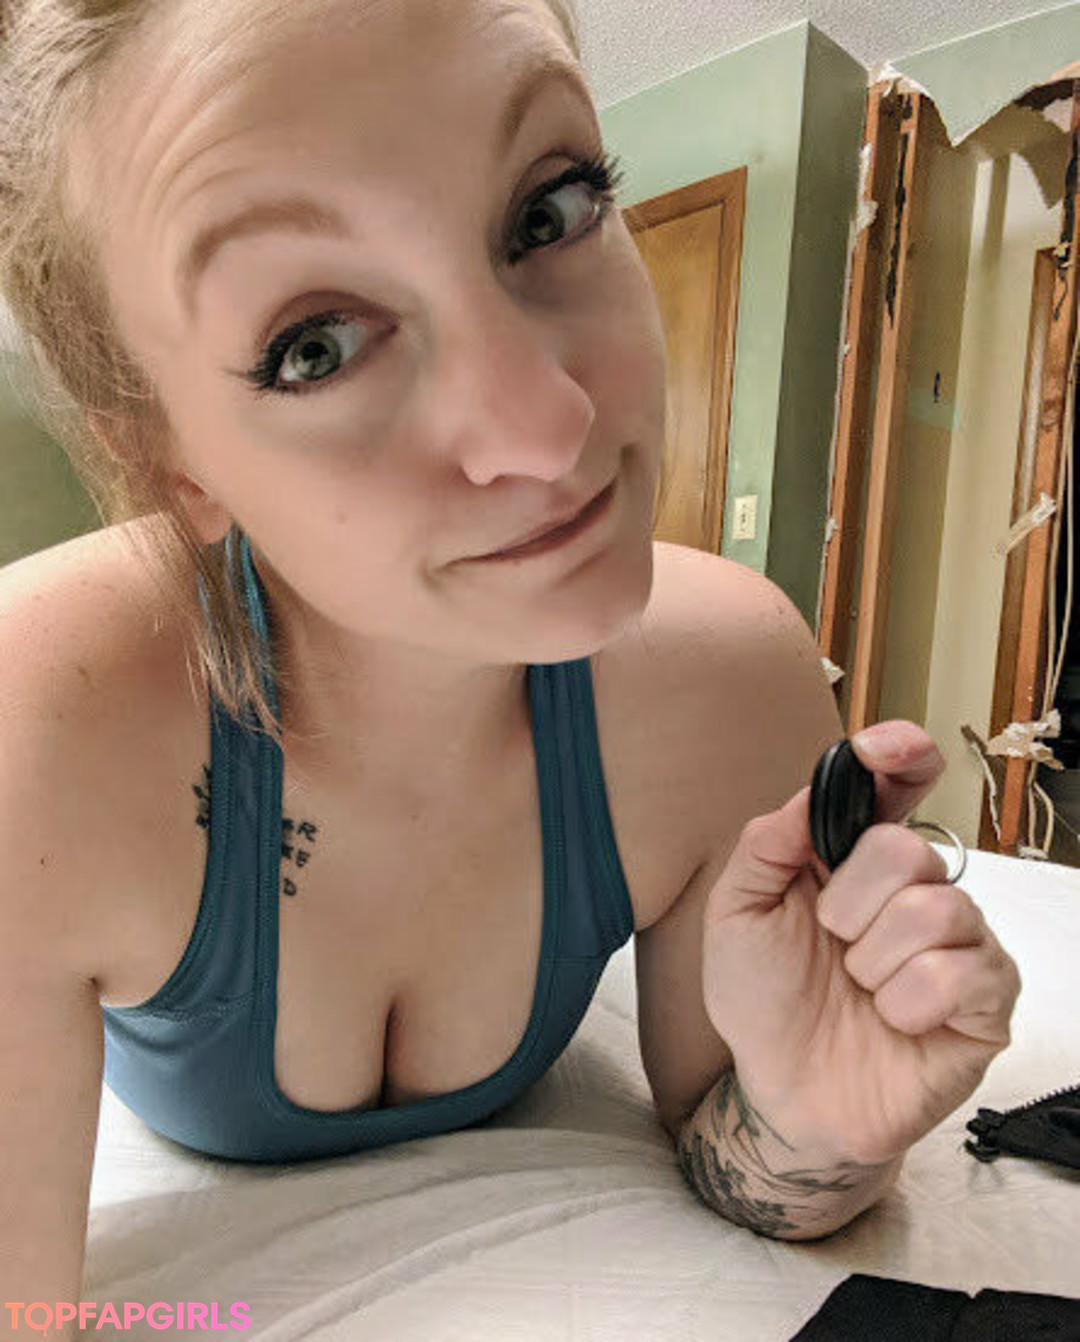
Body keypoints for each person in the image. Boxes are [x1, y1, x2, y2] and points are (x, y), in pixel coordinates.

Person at [0, 0, 1020, 1326]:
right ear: (174, 459)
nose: (549, 427)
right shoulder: (41, 726)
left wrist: (818, 1119)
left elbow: (747, 1162)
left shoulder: (726, 683)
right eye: (315, 346)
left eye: (549, 210)